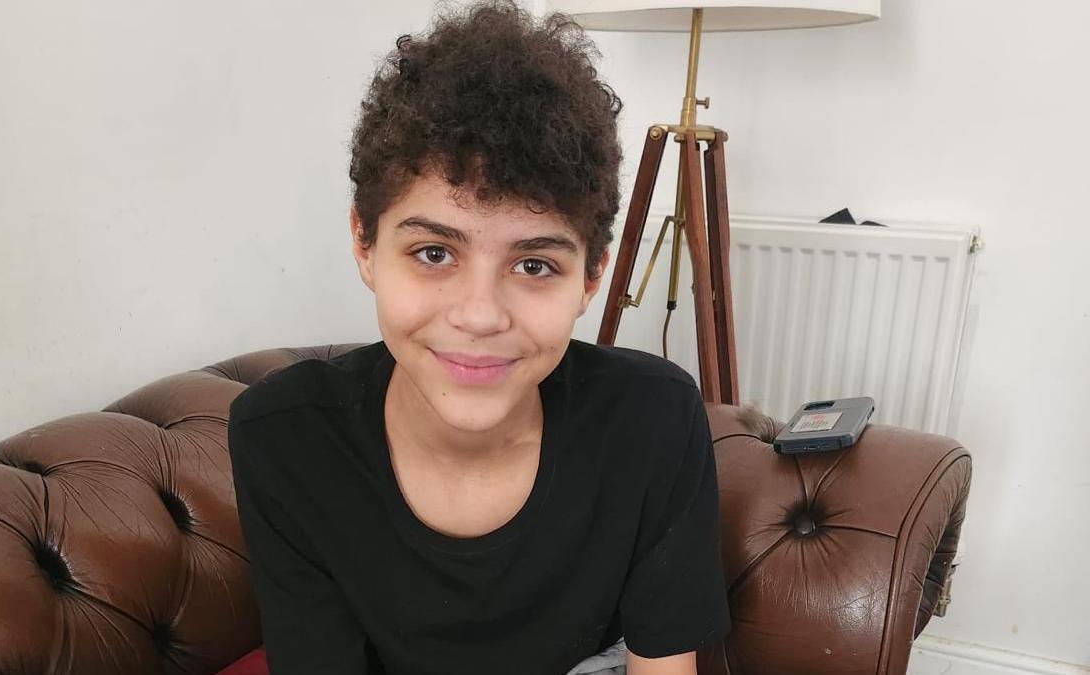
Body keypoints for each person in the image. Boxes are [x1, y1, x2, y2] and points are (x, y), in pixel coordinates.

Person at [226, 1, 731, 673]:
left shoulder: (653, 421)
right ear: (364, 243)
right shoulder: (285, 439)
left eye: (534, 265)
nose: (480, 314)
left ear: (589, 280)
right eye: (434, 252)